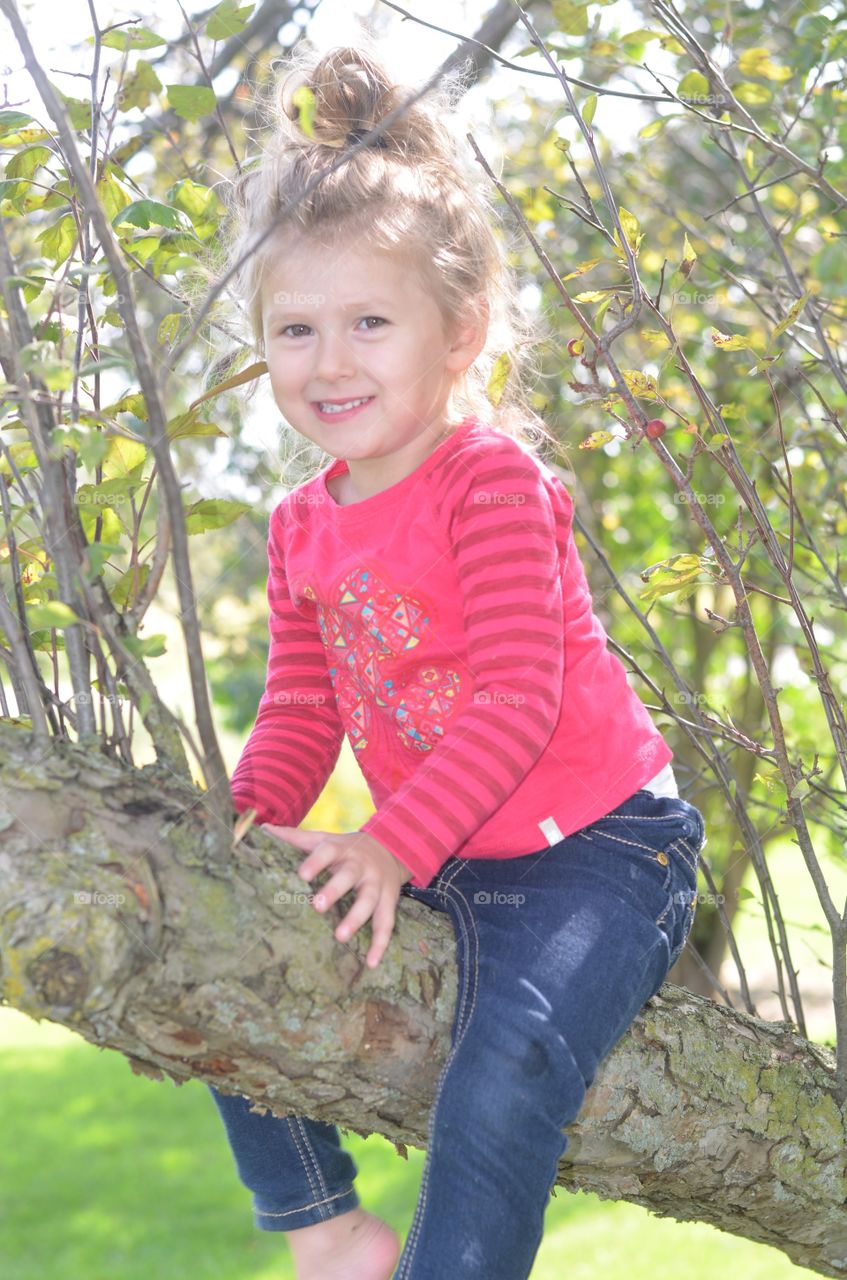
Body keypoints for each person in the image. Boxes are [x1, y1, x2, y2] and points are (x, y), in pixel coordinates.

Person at [205, 40, 707, 1280]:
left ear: (460, 331)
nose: (330, 362)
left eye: (370, 323)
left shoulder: (488, 478)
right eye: (296, 329)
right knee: (221, 956)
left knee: (502, 1079)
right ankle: (326, 1225)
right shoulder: (299, 523)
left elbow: (520, 696)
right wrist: (240, 821)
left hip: (598, 852)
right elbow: (302, 705)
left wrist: (391, 843)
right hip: (439, 852)